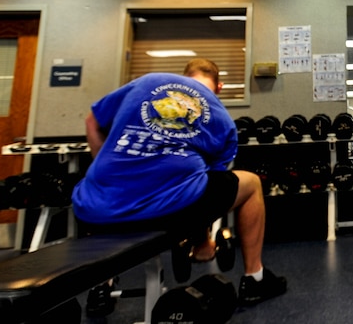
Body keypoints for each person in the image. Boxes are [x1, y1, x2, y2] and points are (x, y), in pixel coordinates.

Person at [72, 57, 287, 307]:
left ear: (182, 77)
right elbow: (205, 184)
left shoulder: (148, 82)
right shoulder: (221, 119)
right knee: (250, 184)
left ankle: (102, 285)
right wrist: (203, 243)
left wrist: (111, 174)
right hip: (169, 212)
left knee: (112, 200)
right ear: (220, 87)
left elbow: (92, 121)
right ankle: (255, 279)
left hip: (92, 209)